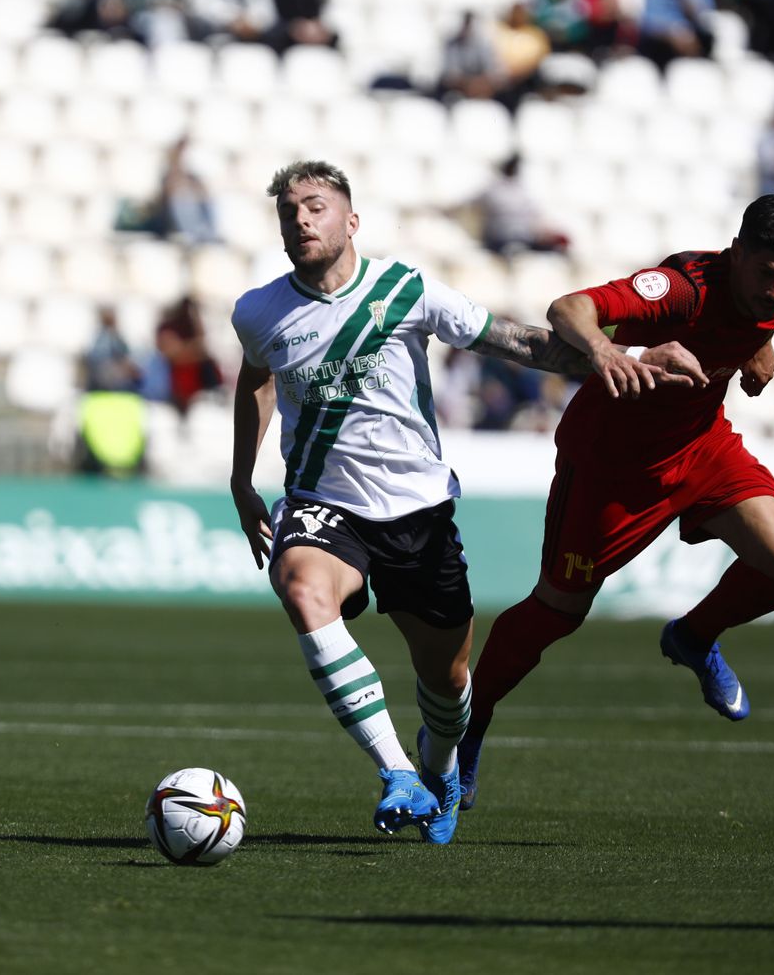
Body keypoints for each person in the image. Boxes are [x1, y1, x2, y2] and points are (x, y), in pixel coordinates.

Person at [229, 159, 705, 844]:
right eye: (289, 212)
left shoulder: (405, 290)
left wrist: (618, 353)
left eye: (315, 206)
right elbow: (256, 379)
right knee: (302, 588)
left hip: (417, 514)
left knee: (448, 682)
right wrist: (243, 480)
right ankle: (397, 773)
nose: (301, 219)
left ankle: (440, 765)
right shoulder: (259, 311)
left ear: (350, 220)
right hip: (321, 503)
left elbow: (519, 342)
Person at [458, 194, 774, 810]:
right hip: (610, 467)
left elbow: (761, 320)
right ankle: (466, 728)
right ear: (736, 255)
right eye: (766, 275)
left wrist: (761, 345)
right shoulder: (678, 289)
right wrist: (603, 352)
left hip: (701, 448)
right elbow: (567, 308)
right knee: (558, 612)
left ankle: (695, 637)